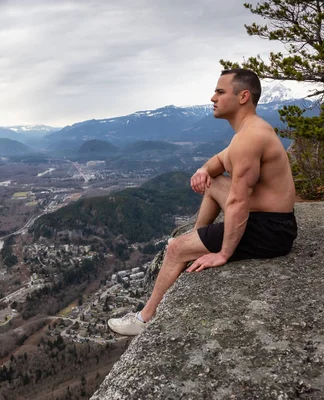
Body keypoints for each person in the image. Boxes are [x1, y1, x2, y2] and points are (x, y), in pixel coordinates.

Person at [108, 68, 298, 336]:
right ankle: (196, 239)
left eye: (220, 92)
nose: (213, 98)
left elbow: (238, 203)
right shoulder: (249, 131)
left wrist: (223, 254)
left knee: (175, 248)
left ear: (243, 96)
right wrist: (203, 171)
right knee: (212, 182)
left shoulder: (249, 138)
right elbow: (219, 162)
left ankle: (144, 318)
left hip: (269, 230)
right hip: (270, 219)